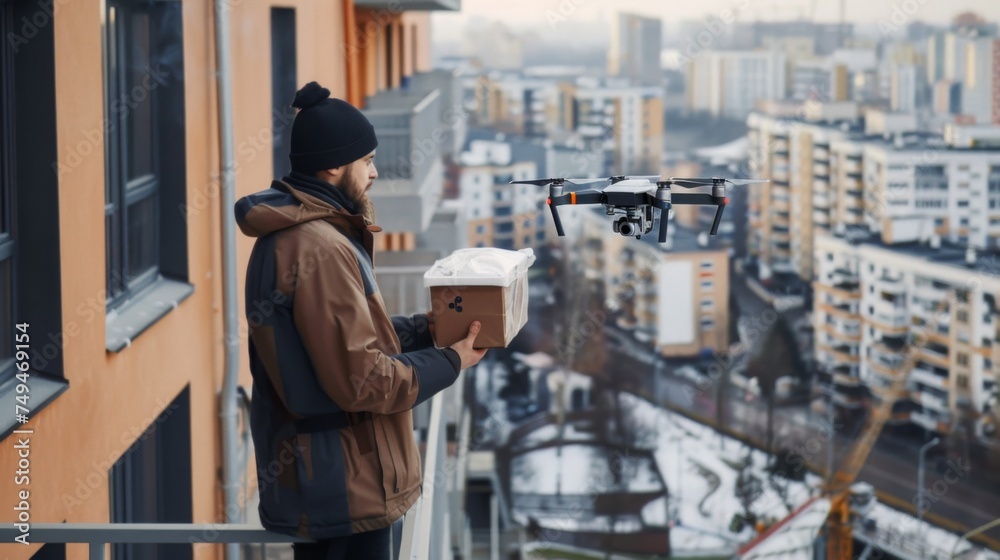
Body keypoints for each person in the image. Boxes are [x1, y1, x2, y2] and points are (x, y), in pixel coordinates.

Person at [235, 81, 487, 560]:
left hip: (331, 477)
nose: (373, 173)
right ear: (333, 165)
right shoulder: (318, 249)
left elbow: (332, 345)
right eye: (366, 161)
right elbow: (364, 380)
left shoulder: (303, 237)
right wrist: (450, 362)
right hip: (346, 485)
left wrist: (423, 328)